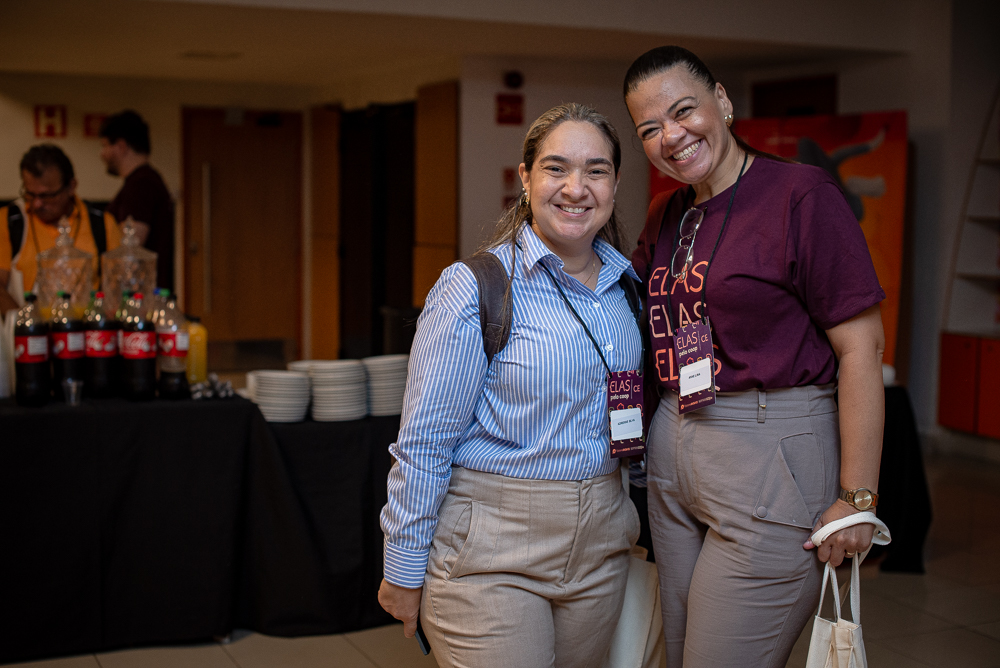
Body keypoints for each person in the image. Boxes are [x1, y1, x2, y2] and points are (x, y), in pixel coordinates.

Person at [624, 46, 886, 667]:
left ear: (722, 100)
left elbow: (861, 349)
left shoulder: (801, 194)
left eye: (684, 111)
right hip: (676, 452)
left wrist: (860, 498)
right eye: (650, 129)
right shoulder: (668, 211)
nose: (672, 137)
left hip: (770, 457)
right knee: (682, 656)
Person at [378, 103, 643, 668]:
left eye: (596, 171)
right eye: (556, 168)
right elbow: (425, 441)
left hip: (601, 548)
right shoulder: (474, 286)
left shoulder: (629, 290)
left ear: (616, 184)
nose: (576, 188)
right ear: (525, 179)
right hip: (489, 553)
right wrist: (401, 567)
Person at [1, 145, 121, 314]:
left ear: (71, 187)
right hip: (29, 333)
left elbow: (117, 290)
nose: (36, 204)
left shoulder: (102, 224)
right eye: (30, 194)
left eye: (46, 196)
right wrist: (23, 324)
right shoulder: (9, 221)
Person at [99, 110, 175, 291]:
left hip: (138, 298)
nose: (102, 154)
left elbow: (129, 251)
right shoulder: (144, 181)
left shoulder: (141, 185)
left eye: (104, 146)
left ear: (121, 146)